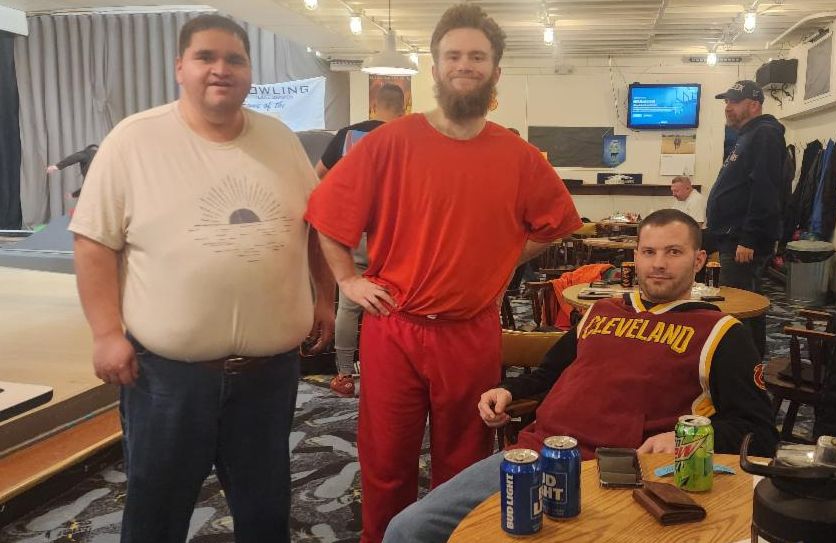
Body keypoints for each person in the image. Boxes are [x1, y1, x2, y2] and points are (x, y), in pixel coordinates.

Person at [304, 4, 582, 541]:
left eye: (477, 56)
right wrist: (347, 281)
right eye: (453, 55)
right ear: (434, 68)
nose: (464, 65)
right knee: (386, 460)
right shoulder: (389, 142)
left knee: (466, 461)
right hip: (395, 327)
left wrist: (501, 259)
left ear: (496, 70)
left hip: (469, 331)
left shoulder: (519, 156)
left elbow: (557, 225)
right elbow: (324, 215)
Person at [68, 14, 335, 543]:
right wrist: (105, 333)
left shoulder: (279, 140)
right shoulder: (134, 141)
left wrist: (324, 299)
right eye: (205, 57)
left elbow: (315, 228)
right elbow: (94, 242)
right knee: (156, 514)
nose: (221, 69)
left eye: (234, 59)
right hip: (168, 378)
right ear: (179, 68)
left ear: (249, 70)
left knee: (265, 512)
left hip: (268, 375)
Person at [383, 209, 778, 543]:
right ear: (635, 256)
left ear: (698, 260)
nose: (658, 263)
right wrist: (507, 390)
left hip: (622, 475)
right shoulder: (600, 311)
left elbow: (758, 433)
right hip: (539, 452)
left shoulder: (722, 333)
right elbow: (549, 374)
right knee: (407, 529)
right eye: (649, 251)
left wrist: (682, 440)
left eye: (673, 252)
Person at [317, 84, 406, 398]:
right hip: (398, 233)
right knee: (393, 301)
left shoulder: (349, 135)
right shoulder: (409, 137)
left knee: (350, 302)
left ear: (373, 105)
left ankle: (344, 374)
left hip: (356, 230)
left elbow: (318, 176)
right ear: (404, 107)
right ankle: (386, 370)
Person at [706, 80, 787, 357]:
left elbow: (765, 188)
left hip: (742, 240)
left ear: (753, 105)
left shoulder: (765, 134)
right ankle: (749, 362)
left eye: (734, 102)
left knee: (739, 305)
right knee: (745, 301)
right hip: (733, 236)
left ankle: (742, 365)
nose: (728, 107)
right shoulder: (748, 135)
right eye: (726, 102)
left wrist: (749, 238)